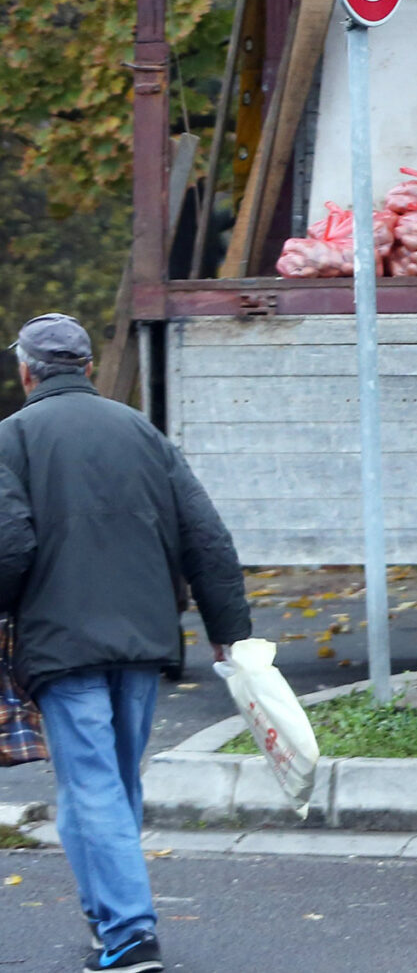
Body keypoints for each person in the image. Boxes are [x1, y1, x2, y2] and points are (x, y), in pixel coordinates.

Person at [0, 314, 251, 973]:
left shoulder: (13, 437)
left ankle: (131, 932)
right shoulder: (143, 432)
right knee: (109, 782)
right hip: (144, 640)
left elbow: (11, 544)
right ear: (83, 366)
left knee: (90, 784)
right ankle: (106, 918)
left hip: (62, 642)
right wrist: (230, 630)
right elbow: (207, 535)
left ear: (27, 371)